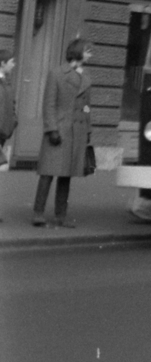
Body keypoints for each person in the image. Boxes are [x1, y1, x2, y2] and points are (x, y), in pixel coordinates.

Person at [34, 39, 93, 229]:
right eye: (87, 50)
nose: (90, 54)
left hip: (77, 132)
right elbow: (49, 104)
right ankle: (38, 213)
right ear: (77, 52)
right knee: (48, 173)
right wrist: (51, 129)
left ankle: (61, 215)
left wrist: (88, 129)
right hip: (59, 130)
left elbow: (85, 107)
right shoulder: (57, 73)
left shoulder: (86, 78)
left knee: (66, 175)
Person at [0, 49, 15, 222]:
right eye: (11, 61)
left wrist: (14, 121)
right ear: (3, 63)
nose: (14, 64)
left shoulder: (6, 81)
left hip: (3, 132)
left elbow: (12, 104)